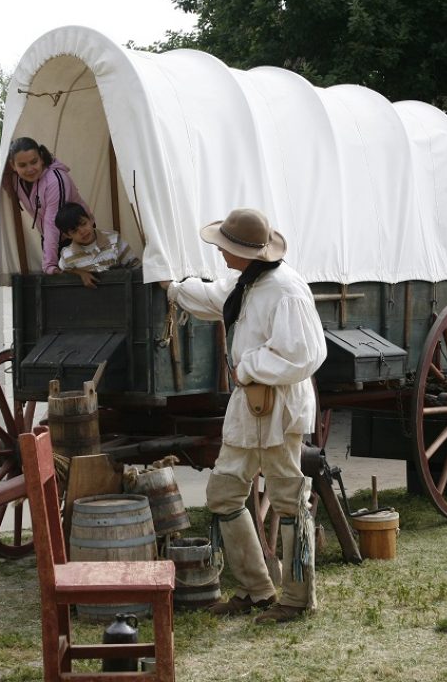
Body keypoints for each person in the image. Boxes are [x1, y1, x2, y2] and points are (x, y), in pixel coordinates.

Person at [160, 208, 327, 624]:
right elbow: (215, 297)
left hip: (279, 407)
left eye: (225, 248)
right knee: (223, 494)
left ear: (247, 253)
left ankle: (297, 598)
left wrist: (248, 365)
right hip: (247, 405)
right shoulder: (245, 281)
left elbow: (306, 354)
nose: (220, 253)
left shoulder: (287, 290)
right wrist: (173, 288)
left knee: (289, 501)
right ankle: (257, 590)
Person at [1, 137, 94, 275]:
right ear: (13, 165)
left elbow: (52, 222)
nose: (30, 169)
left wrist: (50, 265)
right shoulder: (16, 180)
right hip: (50, 236)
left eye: (34, 162)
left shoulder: (55, 180)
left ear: (42, 158)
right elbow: (6, 185)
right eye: (22, 165)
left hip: (78, 234)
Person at [55, 202, 139, 288]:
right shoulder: (67, 255)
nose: (82, 231)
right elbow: (64, 269)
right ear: (67, 235)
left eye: (84, 224)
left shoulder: (114, 240)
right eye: (74, 231)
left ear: (91, 219)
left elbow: (135, 266)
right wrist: (80, 273)